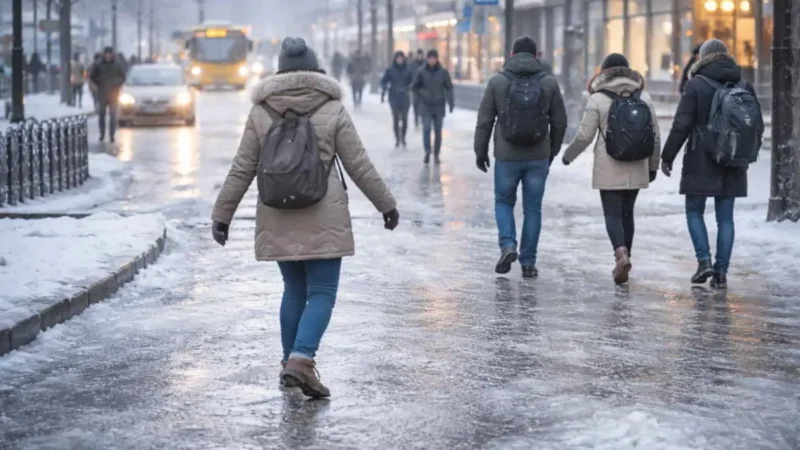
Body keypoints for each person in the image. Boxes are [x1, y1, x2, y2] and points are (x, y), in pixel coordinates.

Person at [210, 37, 399, 398]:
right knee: (323, 291)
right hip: (323, 212)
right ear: (315, 69)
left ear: (280, 71)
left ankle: (289, 364)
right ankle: (301, 360)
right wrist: (386, 205)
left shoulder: (261, 112)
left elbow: (242, 169)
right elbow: (359, 165)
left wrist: (222, 216)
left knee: (294, 289)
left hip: (276, 210)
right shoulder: (331, 109)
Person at [661, 39, 762, 289]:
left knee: (694, 211)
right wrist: (748, 154)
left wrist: (667, 156)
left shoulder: (696, 84)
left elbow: (681, 124)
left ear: (702, 58)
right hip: (734, 159)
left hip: (700, 158)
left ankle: (704, 260)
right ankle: (721, 272)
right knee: (725, 219)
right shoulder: (743, 83)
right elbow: (756, 125)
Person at [561, 53, 661, 284]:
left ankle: (620, 253)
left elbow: (585, 135)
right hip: (637, 163)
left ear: (603, 72)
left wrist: (568, 156)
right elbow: (655, 136)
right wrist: (653, 166)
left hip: (609, 164)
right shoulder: (643, 96)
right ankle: (626, 256)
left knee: (612, 213)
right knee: (628, 213)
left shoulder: (597, 99)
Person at [474, 36, 568, 278]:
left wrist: (480, 151)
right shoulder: (548, 83)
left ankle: (508, 245)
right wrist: (552, 150)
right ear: (537, 56)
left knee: (504, 201)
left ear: (512, 54)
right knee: (533, 209)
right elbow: (560, 121)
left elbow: (485, 121)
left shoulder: (498, 81)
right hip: (538, 155)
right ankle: (528, 263)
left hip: (507, 156)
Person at [411, 49, 454, 164]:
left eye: (434, 58)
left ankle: (436, 154)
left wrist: (451, 103)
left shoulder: (443, 72)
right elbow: (414, 87)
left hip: (439, 105)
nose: (432, 60)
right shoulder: (421, 72)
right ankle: (427, 151)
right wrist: (420, 98)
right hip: (425, 105)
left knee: (438, 130)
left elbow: (449, 87)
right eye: (430, 58)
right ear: (427, 59)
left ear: (437, 59)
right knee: (426, 129)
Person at [90, 47, 127, 143]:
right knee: (101, 114)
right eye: (107, 54)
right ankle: (102, 133)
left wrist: (116, 84)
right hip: (102, 92)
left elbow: (122, 76)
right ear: (104, 55)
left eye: (110, 54)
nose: (108, 56)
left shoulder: (117, 64)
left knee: (113, 115)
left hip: (114, 93)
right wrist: (98, 83)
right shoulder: (98, 64)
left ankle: (112, 134)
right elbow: (93, 75)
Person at [381, 51, 415, 148]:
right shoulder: (390, 70)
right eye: (398, 58)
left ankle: (403, 137)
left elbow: (413, 81)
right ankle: (397, 138)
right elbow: (384, 81)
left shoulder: (408, 70)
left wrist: (409, 88)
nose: (400, 60)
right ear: (395, 59)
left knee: (404, 118)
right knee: (395, 117)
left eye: (401, 58)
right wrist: (385, 89)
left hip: (405, 96)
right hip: (394, 96)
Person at [410, 49, 426, 129]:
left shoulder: (425, 63)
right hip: (415, 88)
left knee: (423, 105)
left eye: (421, 55)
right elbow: (410, 74)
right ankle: (416, 120)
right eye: (418, 55)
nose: (420, 56)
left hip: (424, 88)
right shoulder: (413, 64)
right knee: (415, 105)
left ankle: (422, 120)